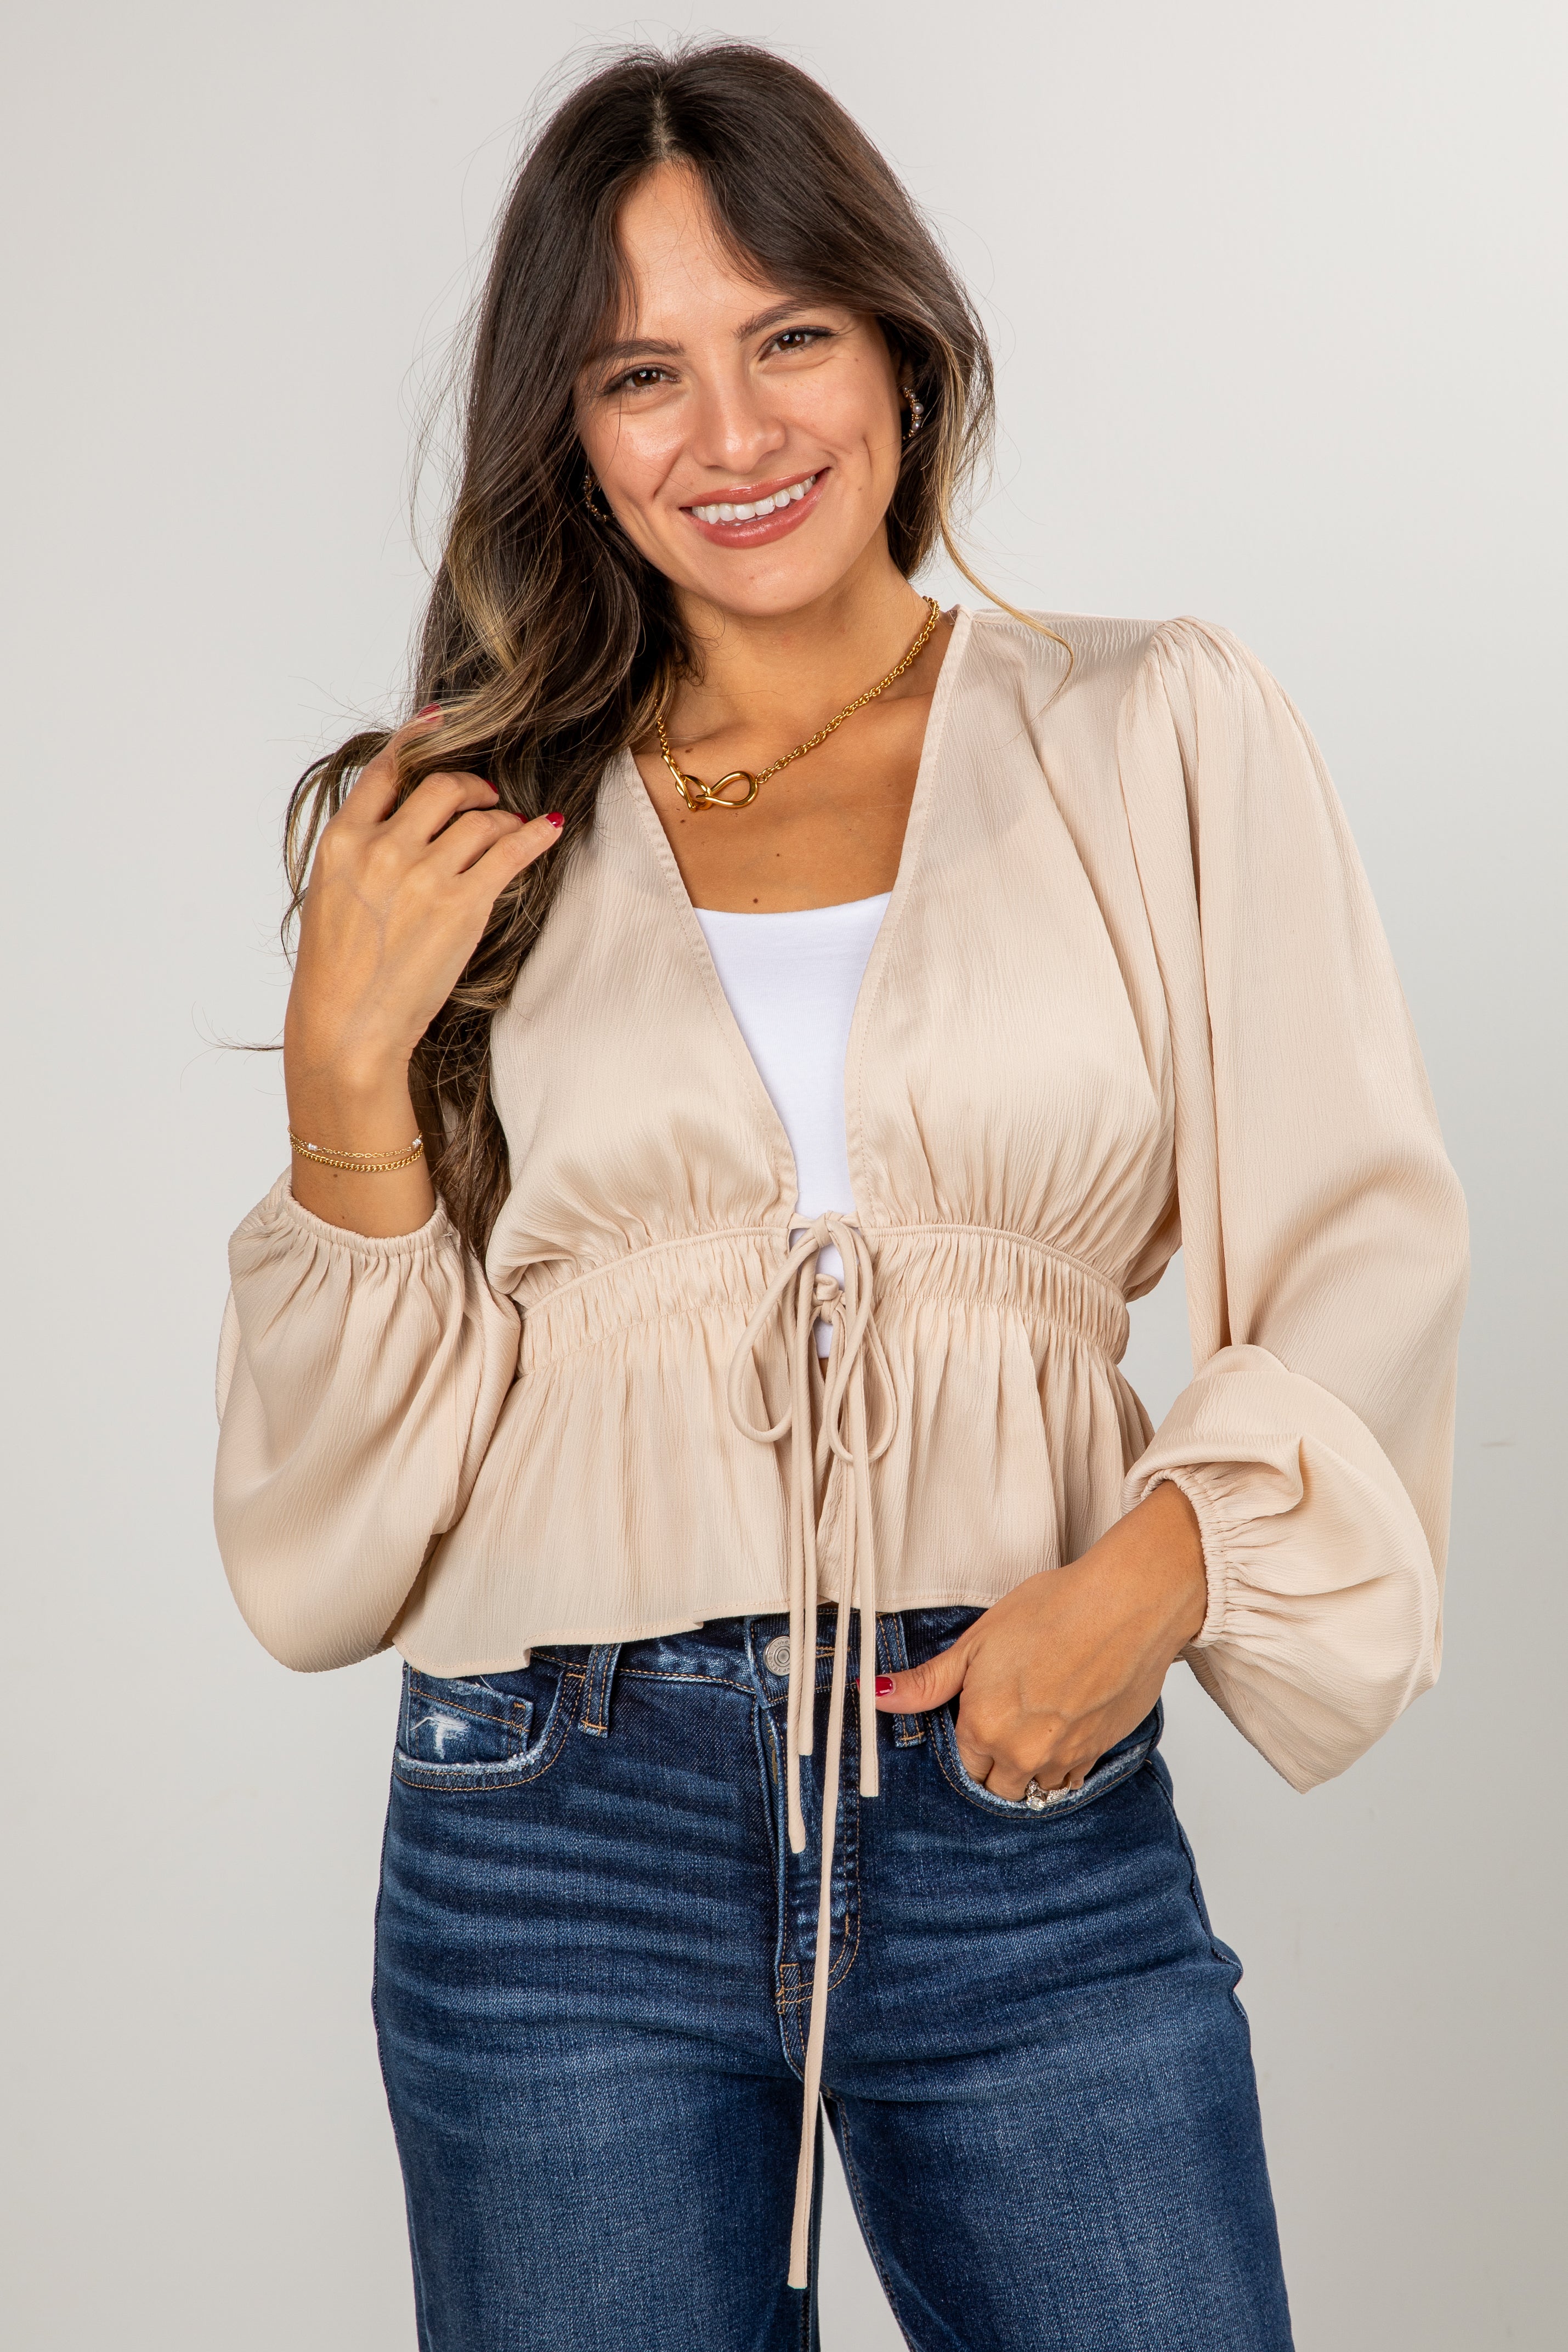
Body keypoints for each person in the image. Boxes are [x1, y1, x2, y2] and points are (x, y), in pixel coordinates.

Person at [213, 40, 1467, 2352]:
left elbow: (1364, 1245)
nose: (733, 433)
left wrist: (1153, 1574)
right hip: (548, 1819)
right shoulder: (473, 824)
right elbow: (325, 1553)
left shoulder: (1152, 725)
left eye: (787, 333)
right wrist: (337, 1084)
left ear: (900, 340)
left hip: (1020, 1788)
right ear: (568, 434)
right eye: (638, 374)